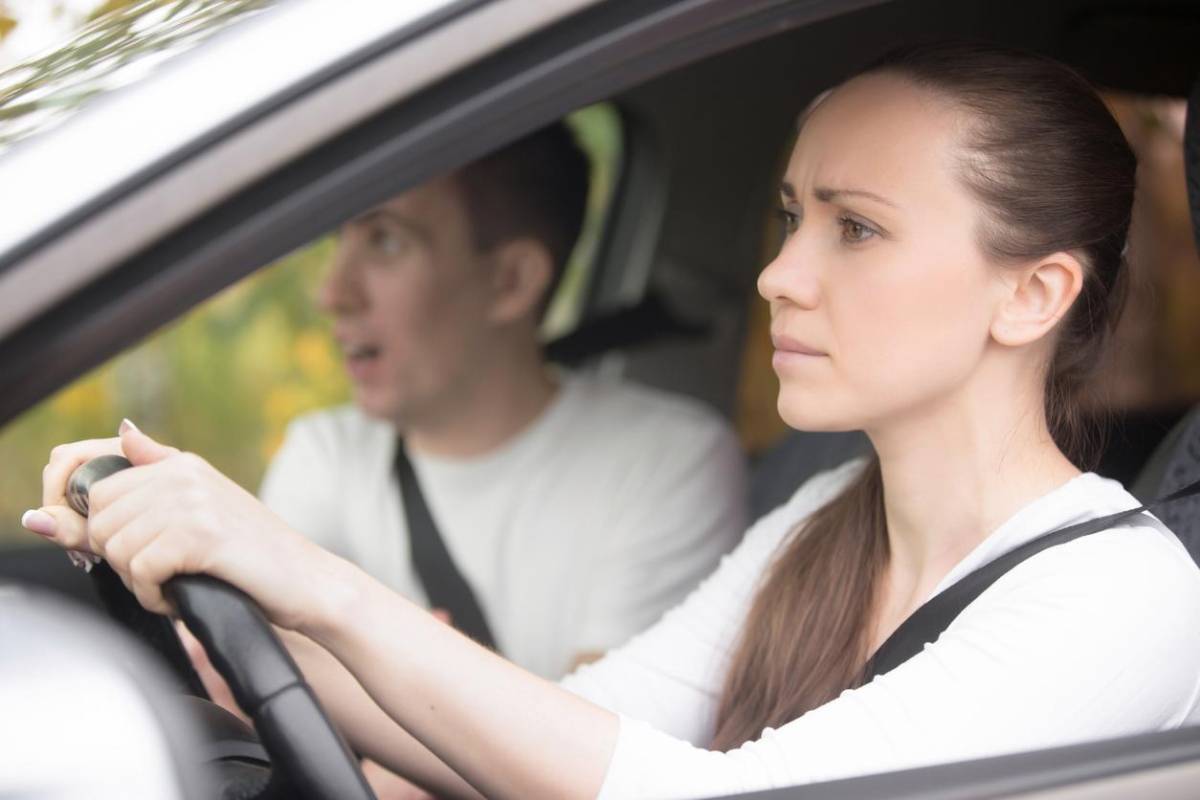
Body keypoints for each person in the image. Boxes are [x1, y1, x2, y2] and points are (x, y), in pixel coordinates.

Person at [24, 42, 1200, 800]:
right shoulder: (822, 521)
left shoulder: (1124, 595)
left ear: (1032, 293)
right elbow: (566, 736)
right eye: (790, 216)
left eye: (856, 228)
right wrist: (206, 586)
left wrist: (299, 572)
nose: (779, 274)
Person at [254, 122, 747, 681]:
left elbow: (595, 755)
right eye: (338, 241)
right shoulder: (324, 454)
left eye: (386, 241)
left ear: (510, 280)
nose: (332, 294)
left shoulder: (667, 464)